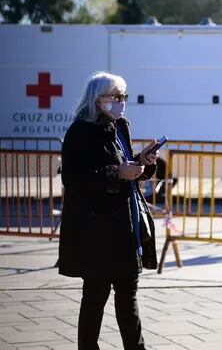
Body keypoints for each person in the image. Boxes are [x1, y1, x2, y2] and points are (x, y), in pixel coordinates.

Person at [58, 72, 160, 350]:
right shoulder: (80, 131)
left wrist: (144, 162)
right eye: (116, 97)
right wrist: (117, 173)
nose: (122, 102)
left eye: (124, 96)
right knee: (95, 298)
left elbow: (128, 169)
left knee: (129, 298)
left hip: (126, 229)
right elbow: (74, 180)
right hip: (96, 232)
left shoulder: (120, 126)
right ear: (98, 99)